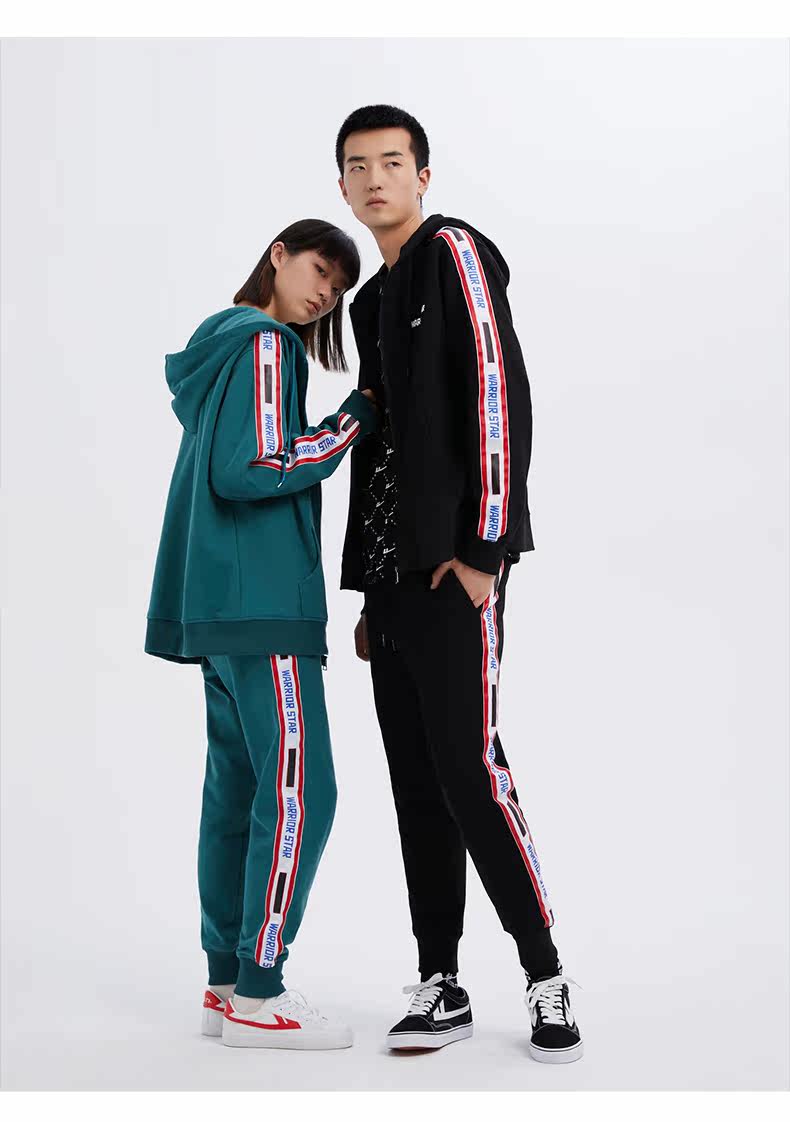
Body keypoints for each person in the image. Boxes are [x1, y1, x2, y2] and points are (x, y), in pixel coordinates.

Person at [335, 105, 583, 1064]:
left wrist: (486, 547)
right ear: (342, 185)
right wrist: (369, 590)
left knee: (473, 770)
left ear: (423, 176)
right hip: (393, 583)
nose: (375, 180)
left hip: (457, 570)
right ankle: (439, 982)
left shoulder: (455, 253)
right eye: (357, 167)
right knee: (416, 782)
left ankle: (545, 973)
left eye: (391, 162)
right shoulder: (370, 301)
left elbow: (496, 393)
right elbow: (384, 450)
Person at [145, 219, 378, 1050]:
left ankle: (224, 981)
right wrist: (351, 422)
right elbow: (254, 467)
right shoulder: (268, 345)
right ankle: (260, 991)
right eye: (319, 269)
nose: (325, 294)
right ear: (278, 255)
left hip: (216, 605)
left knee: (238, 792)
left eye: (338, 288)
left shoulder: (219, 348)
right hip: (264, 601)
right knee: (303, 793)